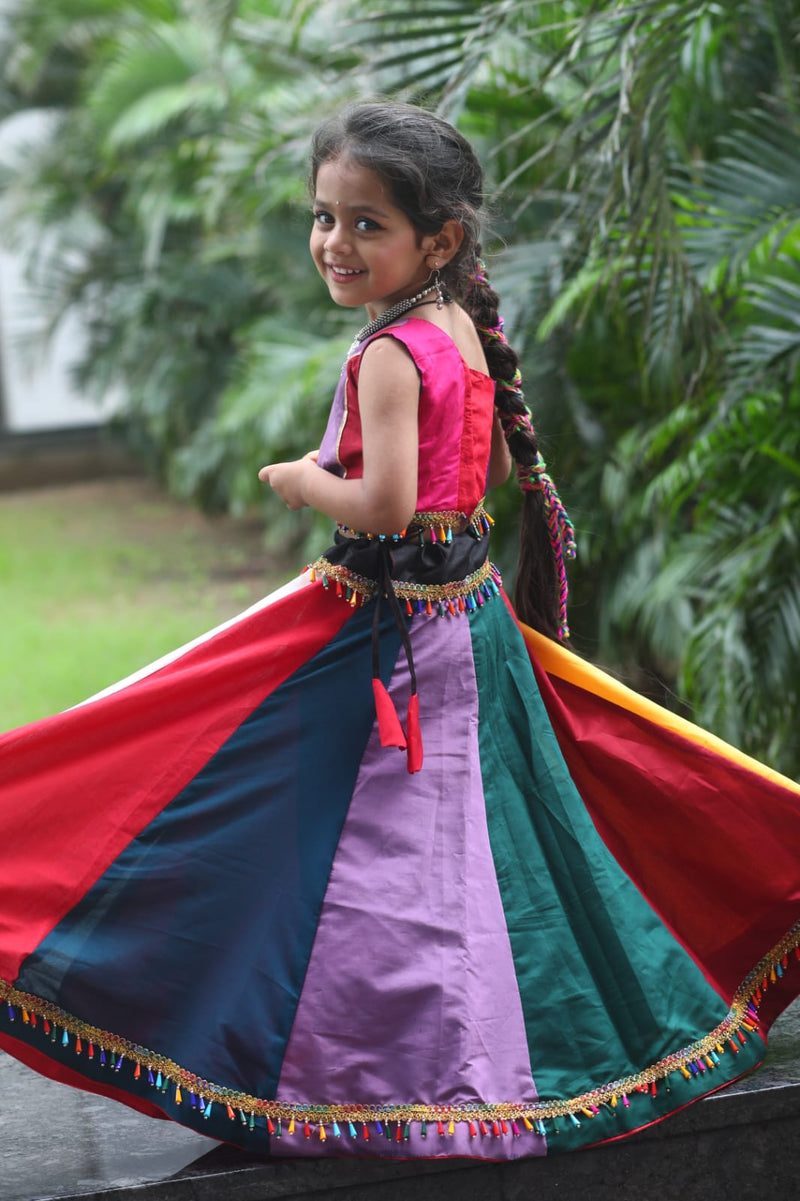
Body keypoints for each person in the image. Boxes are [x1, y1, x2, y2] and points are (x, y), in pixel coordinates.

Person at [0, 101, 798, 1165]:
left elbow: (378, 508)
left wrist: (300, 478)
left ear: (439, 238)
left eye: (364, 223)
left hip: (390, 643)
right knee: (465, 852)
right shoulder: (457, 332)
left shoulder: (385, 352)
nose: (334, 242)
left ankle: (404, 1074)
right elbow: (496, 476)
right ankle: (468, 1058)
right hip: (468, 630)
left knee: (330, 836)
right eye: (323, 217)